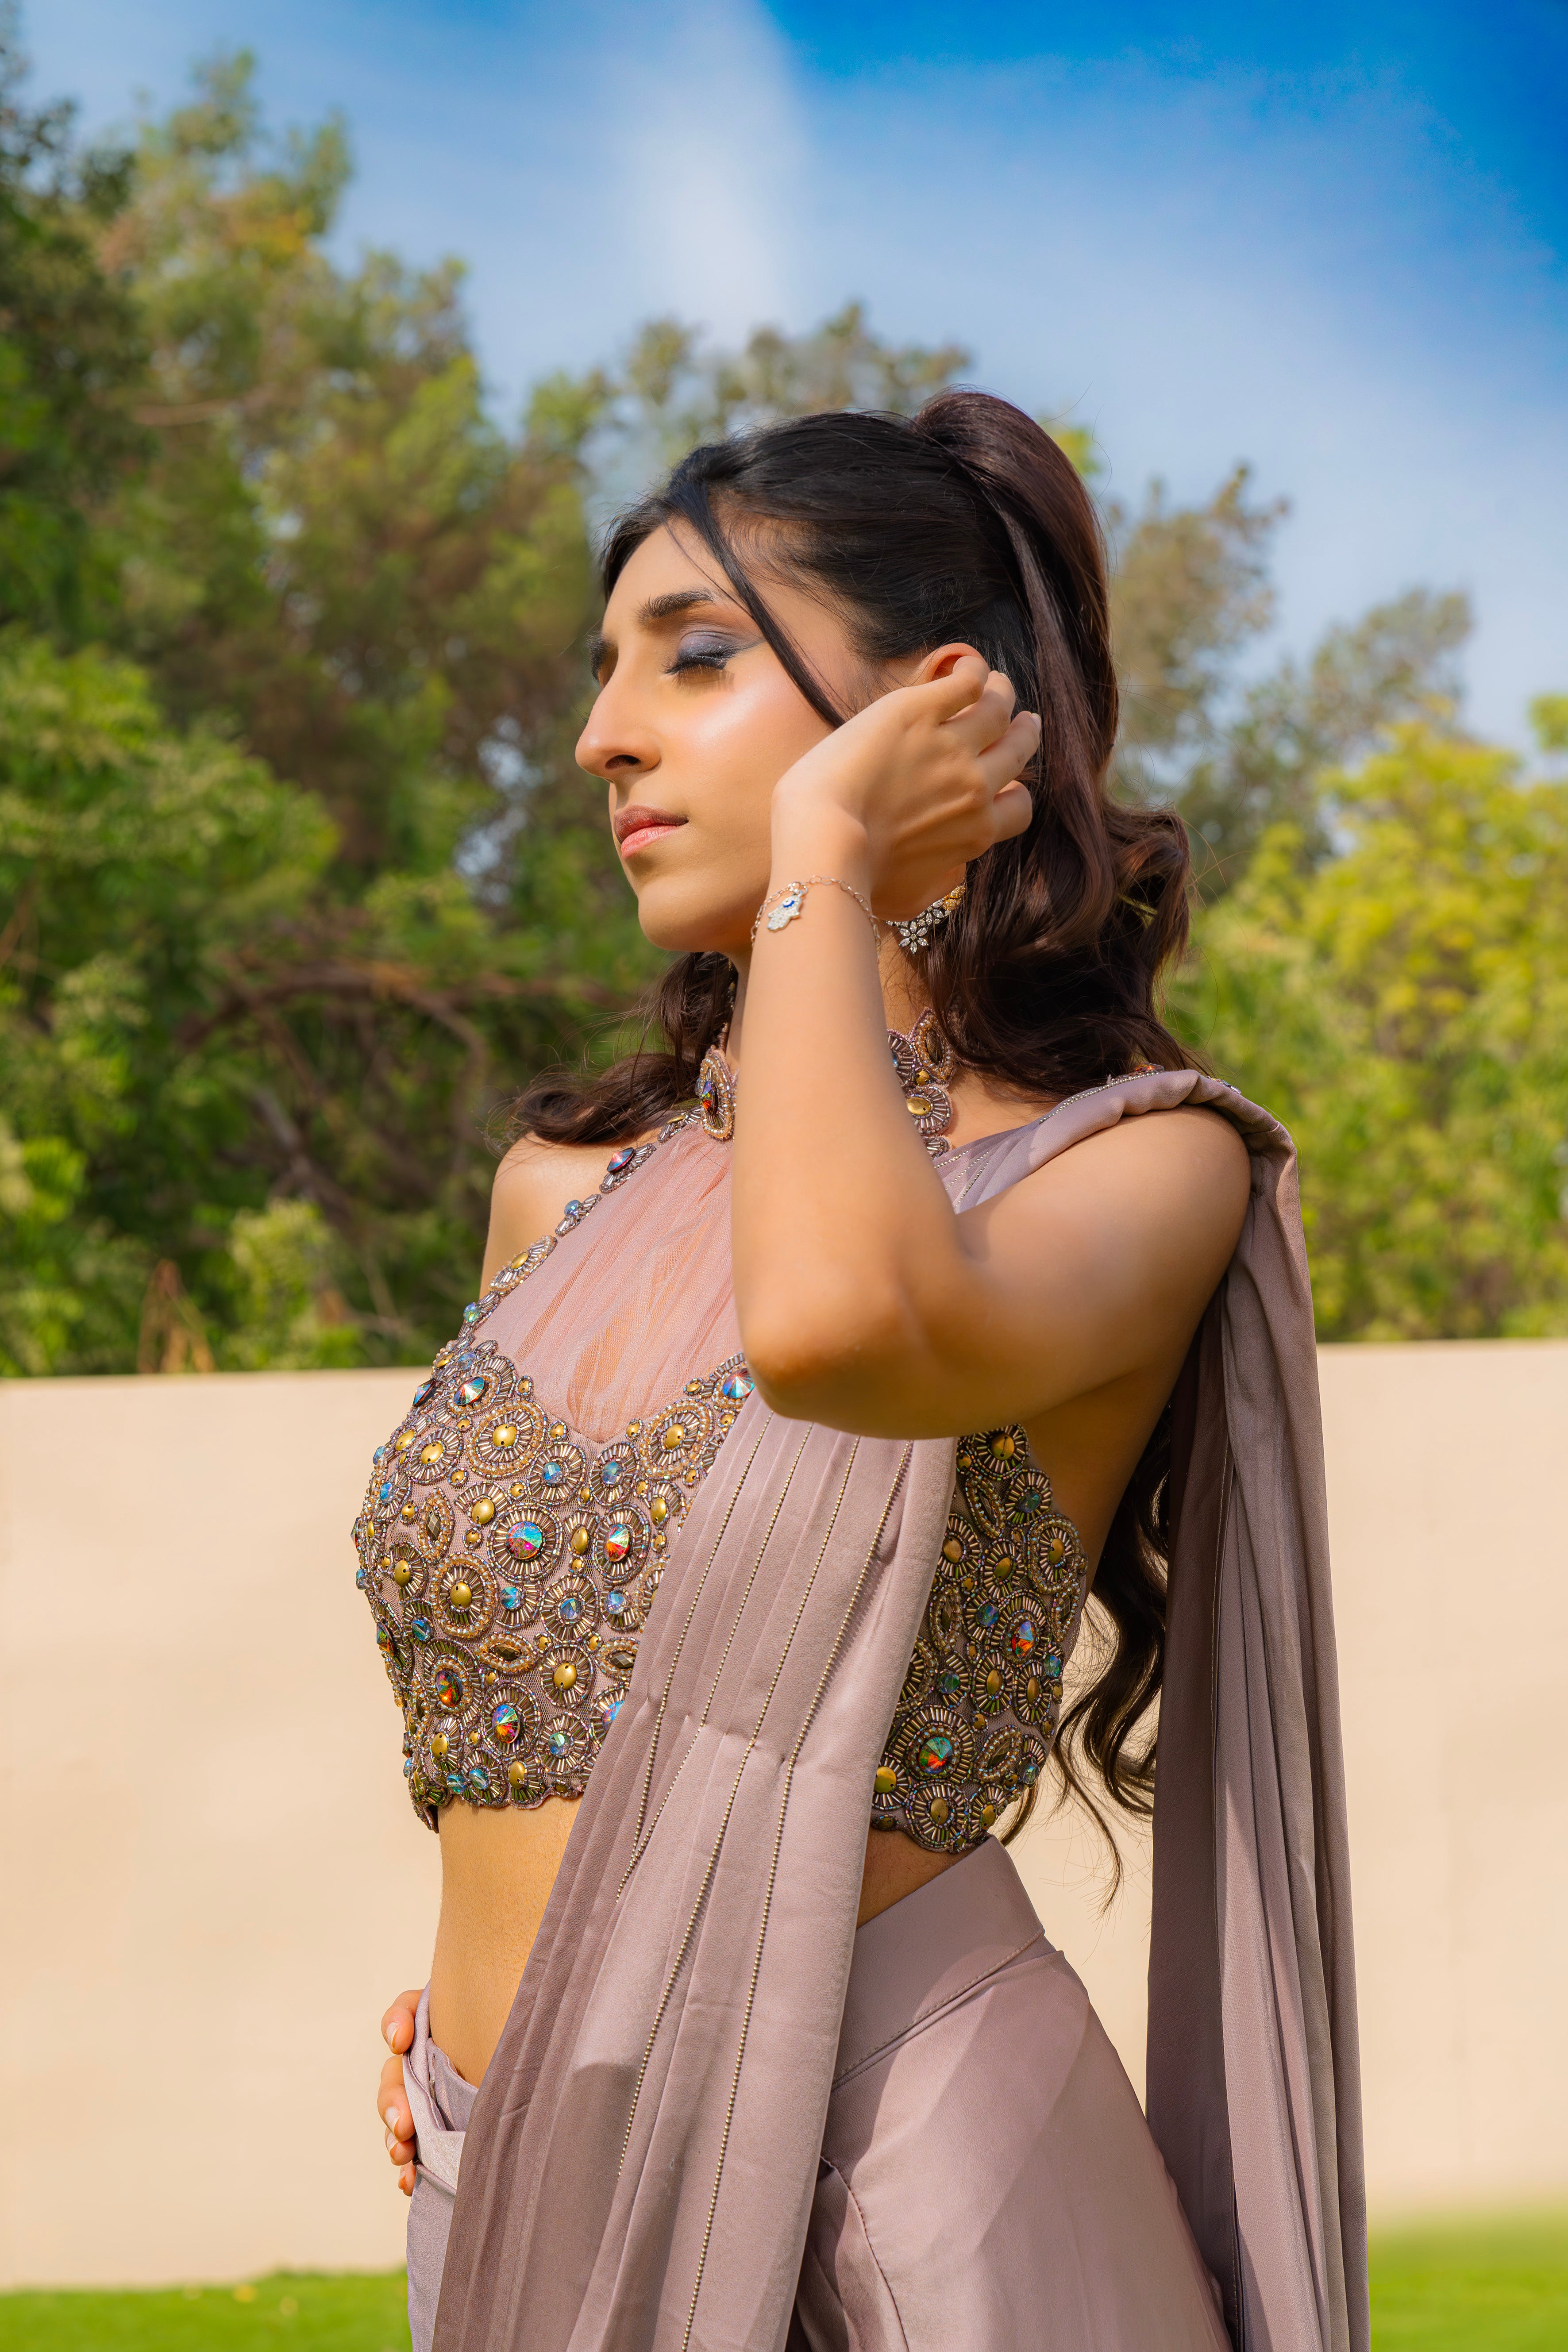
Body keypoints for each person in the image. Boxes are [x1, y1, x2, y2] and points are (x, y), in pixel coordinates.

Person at [357, 393, 1368, 2352]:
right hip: (514, 2171)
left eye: (694, 655)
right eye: (603, 670)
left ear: (939, 707)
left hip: (895, 2187)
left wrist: (826, 857)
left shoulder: (1132, 1172)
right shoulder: (563, 1189)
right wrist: (501, 1994)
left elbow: (836, 1327)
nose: (603, 735)